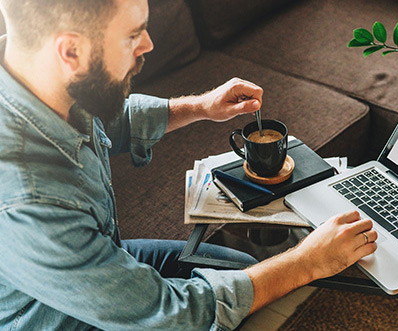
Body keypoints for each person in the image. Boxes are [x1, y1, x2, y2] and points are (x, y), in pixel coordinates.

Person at [0, 0, 378, 330]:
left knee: (239, 269)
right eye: (133, 35)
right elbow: (172, 315)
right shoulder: (30, 199)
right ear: (71, 52)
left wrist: (201, 107)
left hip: (99, 255)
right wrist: (308, 262)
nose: (149, 44)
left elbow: (105, 119)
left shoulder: (33, 72)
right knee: (247, 294)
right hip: (57, 319)